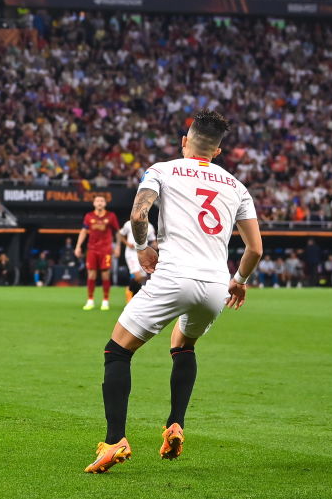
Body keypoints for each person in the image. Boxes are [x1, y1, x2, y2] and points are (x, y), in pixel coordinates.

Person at [85, 110, 262, 473]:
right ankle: (175, 424)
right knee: (183, 345)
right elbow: (255, 249)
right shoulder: (236, 186)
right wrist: (239, 282)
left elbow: (138, 216)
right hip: (215, 285)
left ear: (185, 141)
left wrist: (141, 247)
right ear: (218, 151)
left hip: (173, 277)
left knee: (117, 351)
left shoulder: (162, 170)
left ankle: (115, 439)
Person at [75, 196, 120, 311]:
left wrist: (118, 246)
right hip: (92, 249)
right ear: (94, 203)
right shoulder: (89, 216)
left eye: (102, 201)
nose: (99, 203)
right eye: (97, 201)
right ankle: (90, 300)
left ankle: (105, 301)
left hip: (106, 250)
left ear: (105, 203)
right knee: (91, 274)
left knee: (105, 274)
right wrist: (78, 246)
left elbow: (117, 232)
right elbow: (84, 231)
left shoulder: (111, 216)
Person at [117, 216, 155, 302]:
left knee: (143, 277)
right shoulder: (129, 224)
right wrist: (127, 243)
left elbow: (153, 241)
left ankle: (135, 297)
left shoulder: (150, 227)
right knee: (137, 276)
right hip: (131, 253)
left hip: (143, 255)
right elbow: (120, 234)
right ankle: (129, 292)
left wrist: (155, 245)